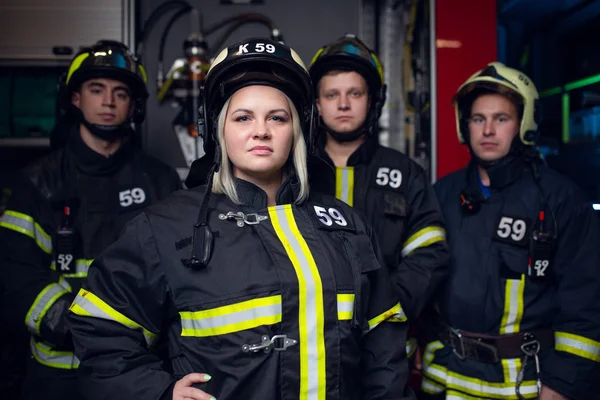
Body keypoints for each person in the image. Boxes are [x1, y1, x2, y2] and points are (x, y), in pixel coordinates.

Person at [68, 38, 413, 400]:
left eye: (277, 117)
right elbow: (98, 330)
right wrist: (160, 391)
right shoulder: (164, 228)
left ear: (299, 129)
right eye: (243, 117)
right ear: (217, 128)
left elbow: (385, 347)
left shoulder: (346, 224)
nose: (260, 130)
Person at [0, 40, 181, 400]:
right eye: (96, 90)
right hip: (57, 374)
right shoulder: (35, 183)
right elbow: (16, 273)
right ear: (75, 99)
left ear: (134, 106)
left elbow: (177, 271)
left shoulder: (161, 182)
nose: (108, 102)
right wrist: (80, 329)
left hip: (141, 372)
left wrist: (125, 340)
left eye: (120, 93)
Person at [421, 62, 600, 399]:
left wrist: (561, 385)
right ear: (465, 126)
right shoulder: (440, 194)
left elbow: (586, 306)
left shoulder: (561, 200)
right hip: (445, 379)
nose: (488, 130)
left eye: (501, 119)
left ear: (524, 124)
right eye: (478, 119)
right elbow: (424, 283)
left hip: (524, 385)